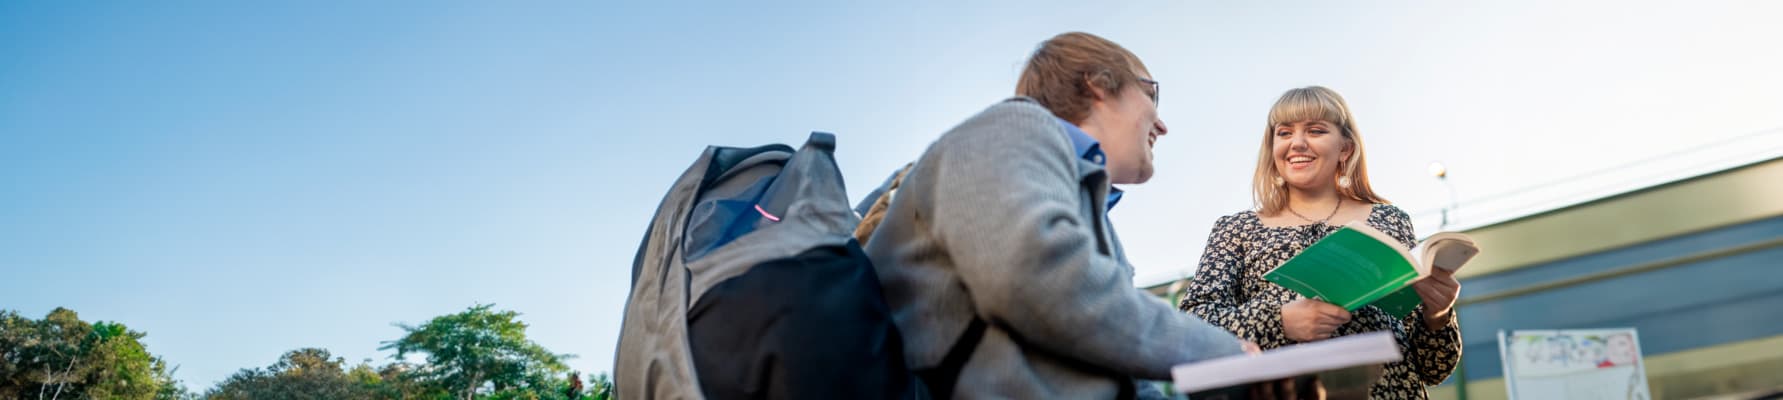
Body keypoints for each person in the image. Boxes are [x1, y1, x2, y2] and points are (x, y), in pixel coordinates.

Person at [859, 32, 1253, 399]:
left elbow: (1128, 379)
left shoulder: (1088, 207)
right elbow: (1036, 281)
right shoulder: (1012, 128)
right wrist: (1224, 352)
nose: (1162, 125)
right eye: (1151, 94)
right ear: (1097, 83)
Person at [1179, 86, 1463, 398]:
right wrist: (1280, 321)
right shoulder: (1236, 229)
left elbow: (1435, 369)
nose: (1297, 143)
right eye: (1284, 132)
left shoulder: (1390, 221)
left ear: (1345, 148)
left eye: (1315, 130)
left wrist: (1437, 315)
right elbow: (1193, 325)